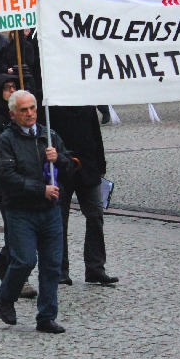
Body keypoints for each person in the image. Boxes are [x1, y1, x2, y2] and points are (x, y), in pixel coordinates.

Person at [0, 90, 74, 334]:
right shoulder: (6, 140)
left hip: (50, 211)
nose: (30, 113)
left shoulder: (49, 135)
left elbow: (69, 167)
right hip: (21, 210)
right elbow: (6, 177)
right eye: (24, 110)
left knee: (52, 265)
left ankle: (47, 316)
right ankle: (6, 296)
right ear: (13, 114)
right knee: (25, 261)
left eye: (33, 108)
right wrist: (40, 190)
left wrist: (59, 159)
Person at [47, 104, 119, 286]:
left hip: (88, 167)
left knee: (95, 216)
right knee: (59, 220)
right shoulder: (52, 103)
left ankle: (96, 268)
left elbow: (96, 135)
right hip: (61, 170)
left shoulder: (86, 103)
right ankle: (60, 270)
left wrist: (100, 165)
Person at [0, 74, 37, 300]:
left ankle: (3, 259)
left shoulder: (26, 115)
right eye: (7, 88)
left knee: (22, 230)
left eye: (14, 87)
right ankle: (19, 278)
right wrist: (15, 126)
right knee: (15, 230)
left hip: (27, 181)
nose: (11, 91)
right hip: (3, 184)